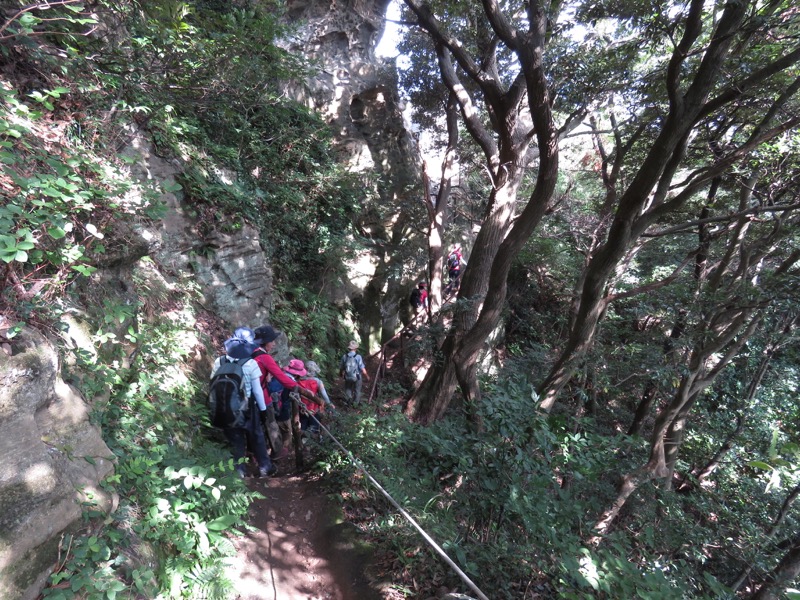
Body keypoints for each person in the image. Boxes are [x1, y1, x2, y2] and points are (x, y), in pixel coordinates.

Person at [210, 327, 277, 478]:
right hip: (248, 407)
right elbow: (257, 390)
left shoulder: (219, 361)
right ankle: (265, 468)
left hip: (225, 406)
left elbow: (212, 383)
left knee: (235, 440)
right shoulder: (250, 364)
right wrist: (263, 409)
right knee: (256, 436)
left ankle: (238, 471)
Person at [251, 325, 324, 458]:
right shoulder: (264, 357)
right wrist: (297, 387)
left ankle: (258, 456)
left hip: (248, 397)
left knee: (259, 427)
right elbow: (281, 377)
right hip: (262, 398)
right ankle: (276, 456)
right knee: (271, 425)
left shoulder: (251, 353)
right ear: (266, 342)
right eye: (272, 341)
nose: (273, 344)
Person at [295, 360, 334, 435]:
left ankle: (302, 442)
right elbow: (324, 395)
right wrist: (329, 404)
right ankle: (311, 442)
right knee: (314, 427)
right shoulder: (318, 381)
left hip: (302, 407)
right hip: (314, 408)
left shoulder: (298, 381)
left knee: (303, 426)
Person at [339, 340, 368, 406]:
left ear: (349, 348)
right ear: (355, 348)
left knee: (348, 389)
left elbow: (341, 367)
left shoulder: (345, 356)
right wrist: (367, 376)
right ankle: (355, 403)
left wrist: (340, 373)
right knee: (357, 390)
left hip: (347, 376)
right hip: (357, 377)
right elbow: (362, 367)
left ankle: (349, 401)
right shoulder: (358, 357)